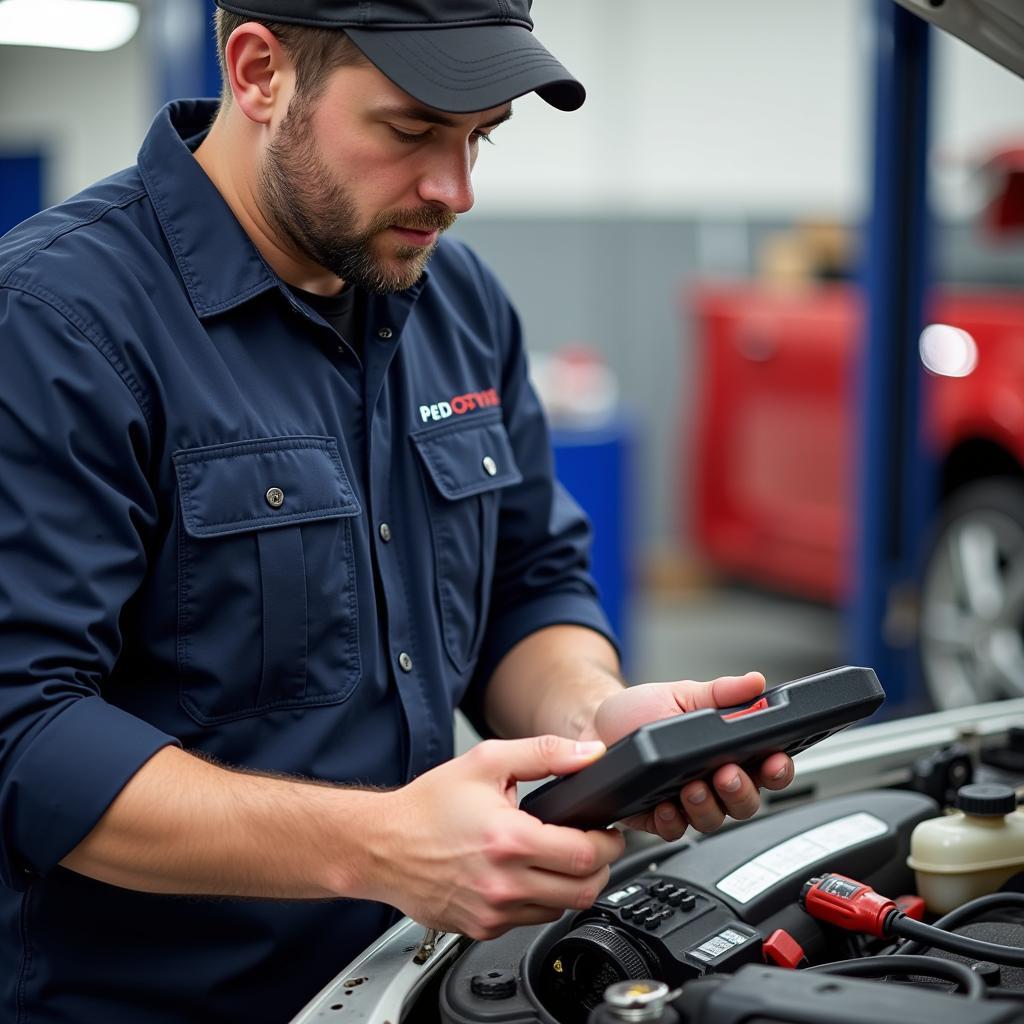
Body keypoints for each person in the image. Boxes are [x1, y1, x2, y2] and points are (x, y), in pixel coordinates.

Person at [0, 2, 794, 1021]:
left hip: (405, 981)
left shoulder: (457, 303)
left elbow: (525, 583)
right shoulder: (55, 323)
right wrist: (380, 847)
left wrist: (589, 719)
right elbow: (25, 734)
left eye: (480, 138)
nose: (454, 190)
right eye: (413, 130)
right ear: (258, 73)